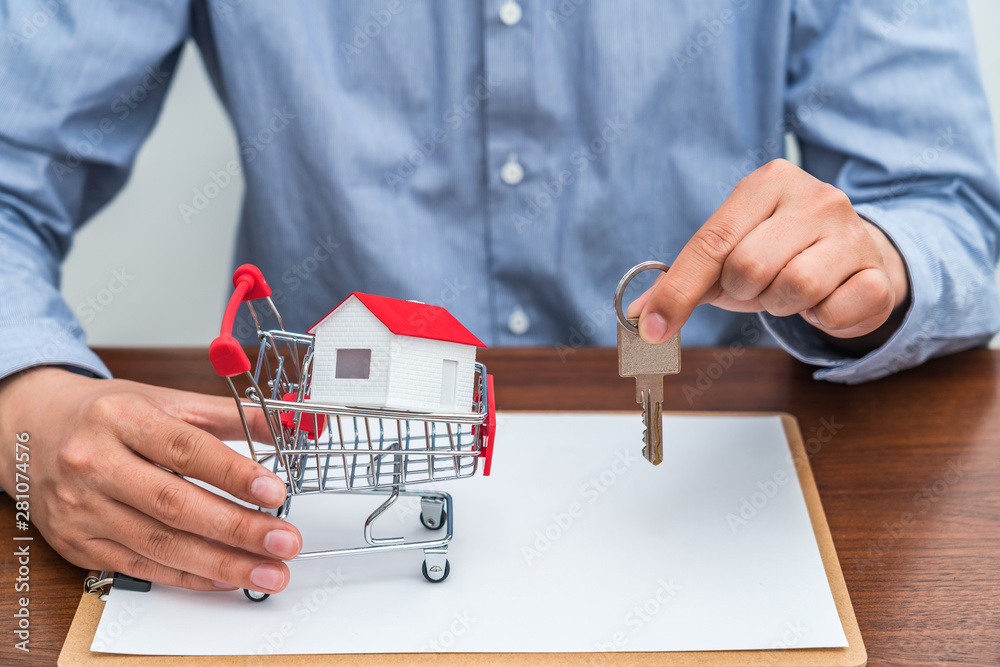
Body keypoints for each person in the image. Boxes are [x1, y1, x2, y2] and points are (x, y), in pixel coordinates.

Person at [0, 2, 997, 597]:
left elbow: (949, 209)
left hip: (713, 512)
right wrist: (30, 409)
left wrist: (880, 260)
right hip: (317, 528)